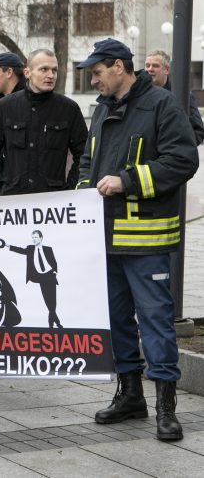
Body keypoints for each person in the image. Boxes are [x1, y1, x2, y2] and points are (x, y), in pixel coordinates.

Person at [76, 38, 199, 442]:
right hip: (105, 239)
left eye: (96, 72)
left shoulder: (162, 104)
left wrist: (127, 181)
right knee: (115, 322)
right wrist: (82, 190)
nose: (93, 80)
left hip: (146, 240)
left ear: (118, 66)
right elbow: (89, 161)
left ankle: (166, 407)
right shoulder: (102, 109)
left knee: (157, 325)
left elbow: (182, 159)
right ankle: (130, 396)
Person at [0, 49, 87, 196]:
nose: (51, 75)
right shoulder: (5, 107)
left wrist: (70, 190)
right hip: (12, 202)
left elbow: (84, 155)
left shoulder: (69, 109)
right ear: (27, 73)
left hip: (54, 205)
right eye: (44, 69)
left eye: (54, 70)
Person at [144, 49, 204, 145]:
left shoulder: (182, 94)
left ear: (166, 70)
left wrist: (179, 150)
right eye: (147, 65)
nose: (150, 69)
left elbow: (198, 131)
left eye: (155, 66)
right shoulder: (139, 93)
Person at [8, 230, 61, 328]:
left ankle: (54, 323)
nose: (34, 239)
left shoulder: (48, 249)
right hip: (41, 278)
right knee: (47, 300)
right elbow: (20, 250)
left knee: (53, 301)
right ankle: (55, 323)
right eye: (32, 237)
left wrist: (54, 272)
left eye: (36, 237)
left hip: (50, 276)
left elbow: (54, 262)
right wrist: (8, 246)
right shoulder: (30, 248)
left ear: (41, 238)